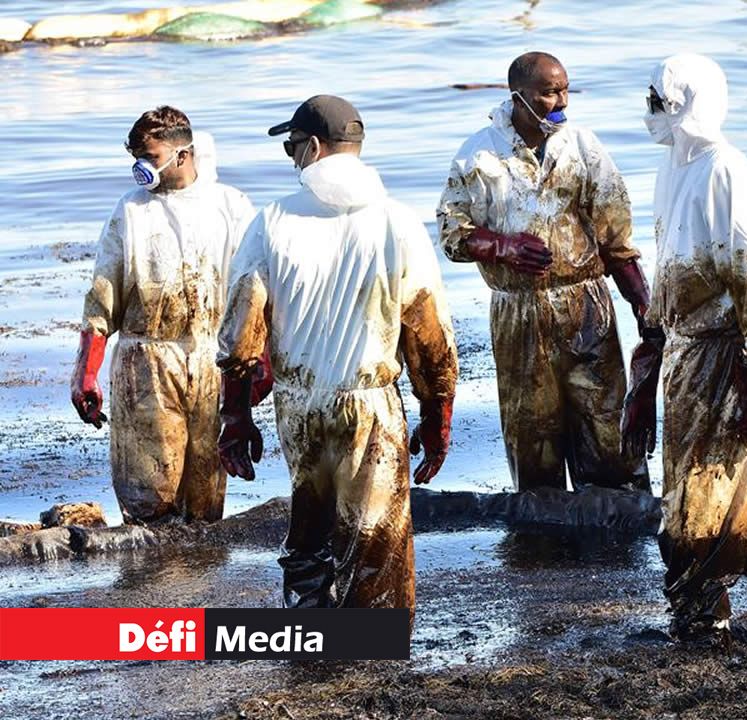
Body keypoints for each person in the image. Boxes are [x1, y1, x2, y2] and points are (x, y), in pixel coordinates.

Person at [217, 95, 458, 611]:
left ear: (315, 148)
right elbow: (430, 337)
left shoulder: (272, 221)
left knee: (309, 533)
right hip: (370, 404)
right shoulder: (398, 222)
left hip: (300, 405)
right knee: (374, 543)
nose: (291, 158)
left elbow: (239, 338)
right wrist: (437, 417)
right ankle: (368, 656)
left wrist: (235, 415)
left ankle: (312, 643)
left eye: (291, 147)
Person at [623, 53, 747, 647]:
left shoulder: (729, 171)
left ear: (688, 103)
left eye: (660, 101)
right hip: (685, 354)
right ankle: (704, 615)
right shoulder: (671, 171)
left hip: (731, 354)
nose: (651, 112)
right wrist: (646, 368)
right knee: (691, 487)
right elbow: (665, 272)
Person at [437, 51, 650, 493]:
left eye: (565, 89)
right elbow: (451, 234)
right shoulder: (479, 155)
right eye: (549, 92)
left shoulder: (583, 147)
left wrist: (644, 306)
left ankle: (620, 544)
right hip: (519, 314)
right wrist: (502, 247)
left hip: (587, 305)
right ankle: (542, 552)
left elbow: (616, 239)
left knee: (608, 431)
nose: (562, 101)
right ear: (518, 96)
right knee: (532, 437)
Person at [71, 106, 258, 524]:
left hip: (212, 360)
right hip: (145, 364)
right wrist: (87, 372)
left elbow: (253, 294)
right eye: (135, 158)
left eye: (149, 158)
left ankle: (203, 584)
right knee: (149, 499)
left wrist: (256, 366)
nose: (141, 168)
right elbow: (102, 297)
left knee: (205, 501)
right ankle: (151, 584)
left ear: (183, 154)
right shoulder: (131, 210)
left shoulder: (230, 207)